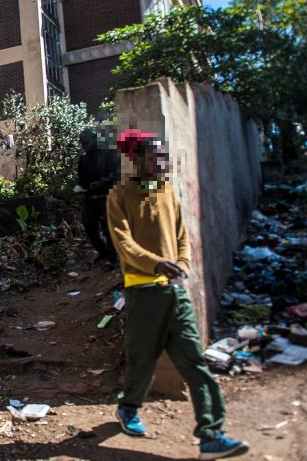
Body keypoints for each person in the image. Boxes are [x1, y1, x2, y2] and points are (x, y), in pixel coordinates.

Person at [107, 129, 249, 460]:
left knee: (195, 362)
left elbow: (182, 234)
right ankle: (129, 408)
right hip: (142, 293)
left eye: (163, 154)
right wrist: (157, 264)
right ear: (136, 158)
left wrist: (181, 263)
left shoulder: (168, 191)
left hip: (175, 293)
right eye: (155, 154)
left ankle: (211, 434)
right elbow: (123, 244)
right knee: (142, 360)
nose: (162, 159)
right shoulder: (120, 195)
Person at [76, 128, 120, 265]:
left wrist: (101, 183)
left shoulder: (107, 154)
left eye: (87, 142)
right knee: (88, 226)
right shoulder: (83, 160)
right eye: (83, 144)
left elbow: (117, 175)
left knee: (107, 228)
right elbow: (81, 180)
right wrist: (79, 188)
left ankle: (113, 258)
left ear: (94, 140)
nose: (86, 146)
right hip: (90, 199)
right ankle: (103, 252)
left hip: (106, 196)